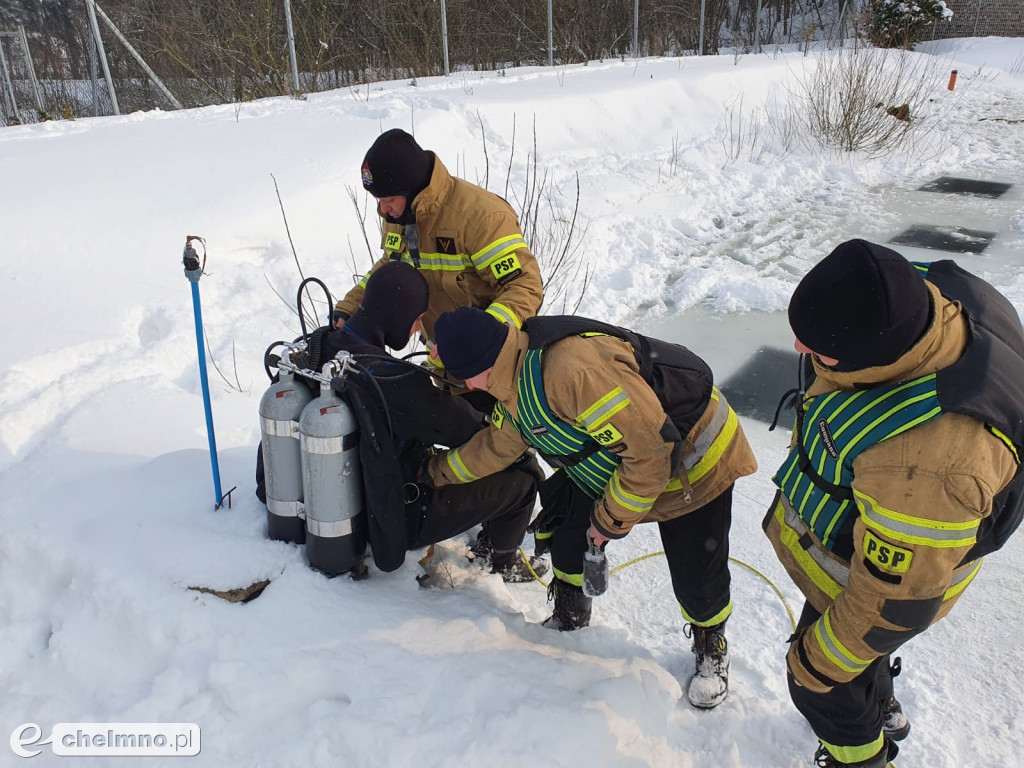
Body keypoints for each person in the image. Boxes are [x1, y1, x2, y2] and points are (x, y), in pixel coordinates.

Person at [765, 239, 1024, 767]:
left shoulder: (927, 463)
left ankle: (860, 756)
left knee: (827, 685)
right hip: (899, 538)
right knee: (861, 660)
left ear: (869, 354)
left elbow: (893, 604)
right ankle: (879, 702)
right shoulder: (932, 292)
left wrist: (815, 667)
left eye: (817, 349)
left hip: (895, 573)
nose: (798, 351)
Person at [425, 306, 757, 709]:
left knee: (695, 572)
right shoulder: (510, 376)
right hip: (625, 457)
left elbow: (652, 454)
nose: (463, 385)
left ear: (477, 367)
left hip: (694, 457)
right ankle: (571, 612)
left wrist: (609, 521)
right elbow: (496, 446)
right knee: (567, 528)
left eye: (461, 376)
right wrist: (434, 472)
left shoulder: (571, 372)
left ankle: (711, 643)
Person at [321, 261, 547, 582]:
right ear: (397, 313)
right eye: (416, 319)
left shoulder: (320, 346)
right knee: (523, 479)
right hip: (395, 514)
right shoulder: (394, 380)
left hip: (340, 500)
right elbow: (465, 428)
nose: (416, 329)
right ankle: (501, 562)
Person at [333, 128, 544, 368]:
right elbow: (391, 267)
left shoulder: (481, 218)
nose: (383, 210)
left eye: (389, 200)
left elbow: (525, 286)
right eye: (378, 201)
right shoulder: (399, 216)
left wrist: (477, 337)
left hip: (492, 366)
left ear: (410, 189)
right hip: (443, 360)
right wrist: (349, 308)